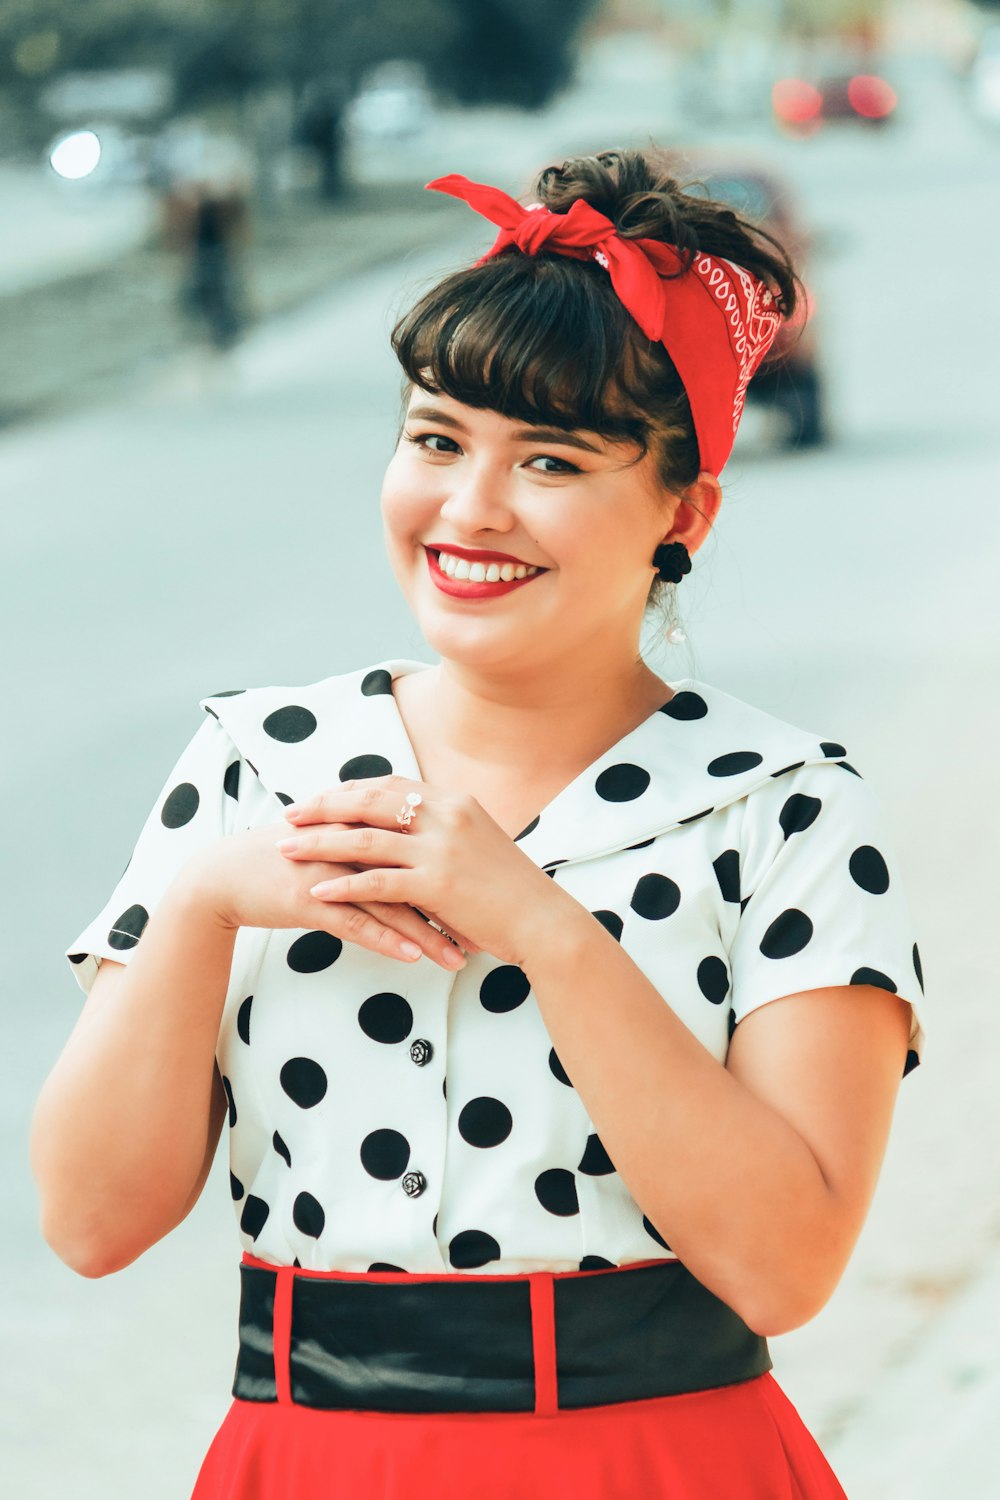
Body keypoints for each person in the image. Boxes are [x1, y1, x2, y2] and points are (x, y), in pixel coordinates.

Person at [32, 147, 927, 1498]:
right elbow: (90, 1224)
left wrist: (543, 929)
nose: (469, 508)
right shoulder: (254, 767)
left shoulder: (783, 809)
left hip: (661, 1460)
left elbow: (783, 1267)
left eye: (551, 460)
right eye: (436, 439)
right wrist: (207, 897)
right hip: (309, 1460)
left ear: (681, 514)